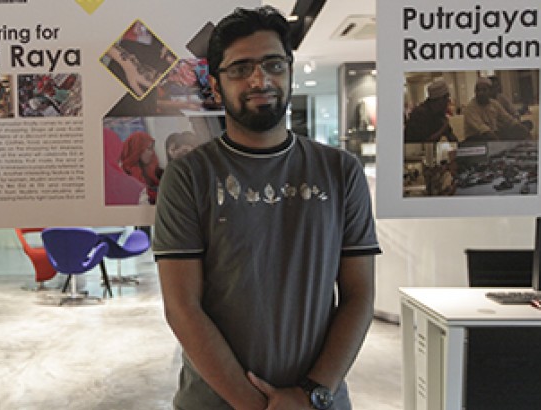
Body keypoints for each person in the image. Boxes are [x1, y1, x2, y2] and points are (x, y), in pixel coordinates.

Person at [153, 6, 381, 410]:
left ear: (289, 71)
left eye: (273, 64)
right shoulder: (189, 176)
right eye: (240, 69)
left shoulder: (340, 171)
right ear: (217, 86)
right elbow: (182, 308)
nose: (260, 79)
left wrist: (312, 392)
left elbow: (358, 295)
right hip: (214, 402)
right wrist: (261, 406)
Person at [463, 77, 530, 141]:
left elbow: (507, 119)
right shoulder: (470, 108)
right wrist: (499, 142)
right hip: (477, 138)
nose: (480, 93)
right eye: (478, 90)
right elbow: (483, 129)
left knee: (523, 127)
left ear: (490, 91)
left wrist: (519, 127)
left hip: (494, 133)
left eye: (484, 90)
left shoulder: (494, 103)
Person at [119, 131, 161, 204]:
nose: (152, 153)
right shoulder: (123, 175)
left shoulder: (154, 171)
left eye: (152, 149)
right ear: (137, 150)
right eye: (149, 149)